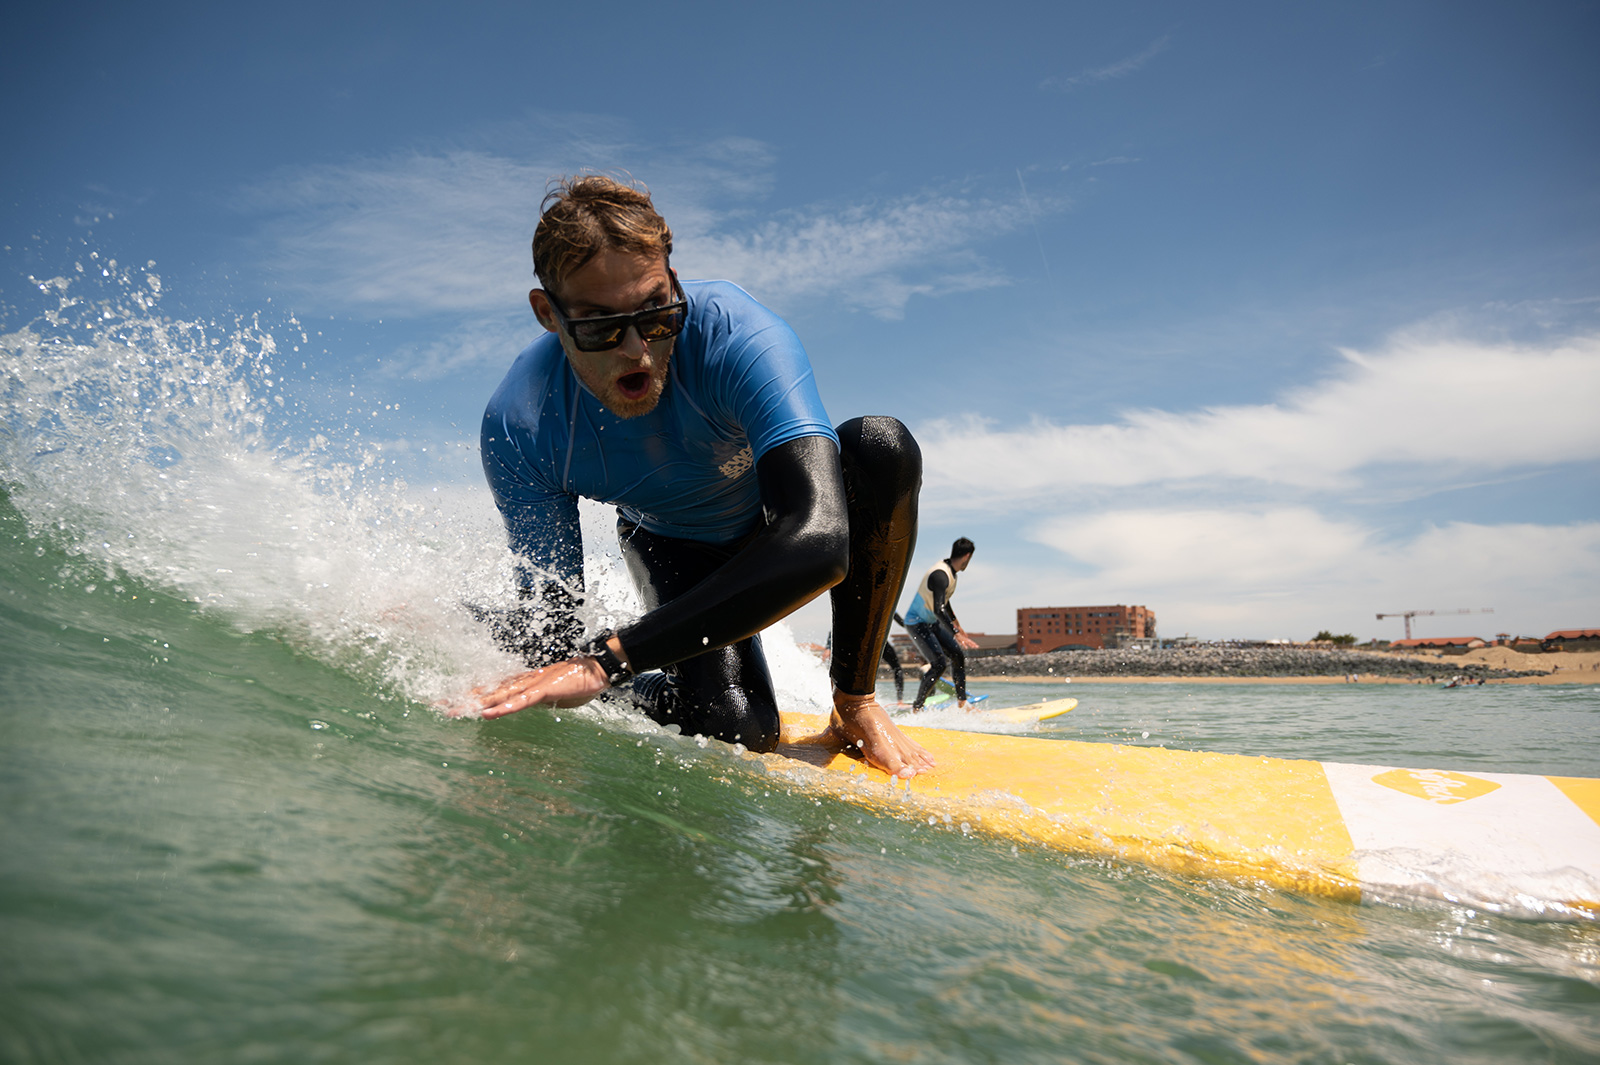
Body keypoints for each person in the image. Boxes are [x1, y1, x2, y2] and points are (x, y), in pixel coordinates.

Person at [457, 175, 933, 779]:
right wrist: (576, 672)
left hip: (774, 516)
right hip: (673, 542)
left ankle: (856, 702)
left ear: (674, 281)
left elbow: (817, 542)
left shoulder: (737, 334)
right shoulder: (522, 421)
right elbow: (552, 612)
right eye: (600, 326)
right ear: (547, 314)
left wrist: (608, 658)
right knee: (735, 727)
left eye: (656, 310)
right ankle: (624, 675)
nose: (637, 350)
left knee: (878, 447)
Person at [903, 539, 979, 711]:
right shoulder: (940, 575)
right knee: (938, 664)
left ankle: (962, 704)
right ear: (967, 556)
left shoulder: (951, 573)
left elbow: (945, 603)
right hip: (916, 623)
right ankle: (917, 708)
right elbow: (939, 608)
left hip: (930, 622)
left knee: (957, 655)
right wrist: (955, 632)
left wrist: (957, 626)